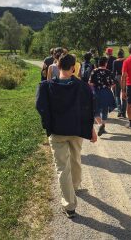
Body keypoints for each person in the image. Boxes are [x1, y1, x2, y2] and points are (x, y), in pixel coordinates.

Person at [36, 54, 97, 219]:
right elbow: (87, 110)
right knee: (76, 158)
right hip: (76, 130)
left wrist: (48, 126)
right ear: (73, 68)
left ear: (57, 65)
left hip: (57, 132)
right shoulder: (83, 87)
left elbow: (41, 108)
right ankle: (74, 187)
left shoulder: (46, 86)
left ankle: (69, 206)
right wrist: (90, 129)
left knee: (63, 168)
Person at [89, 56, 116, 136]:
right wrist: (108, 86)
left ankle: (100, 124)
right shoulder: (109, 71)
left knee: (95, 110)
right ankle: (103, 127)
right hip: (107, 93)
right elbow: (113, 84)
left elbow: (90, 83)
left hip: (97, 92)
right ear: (106, 63)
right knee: (105, 110)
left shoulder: (94, 71)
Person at [112, 49, 127, 118]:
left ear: (117, 55)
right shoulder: (125, 60)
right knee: (124, 95)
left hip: (117, 78)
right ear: (123, 54)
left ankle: (119, 111)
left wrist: (113, 81)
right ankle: (124, 113)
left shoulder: (115, 61)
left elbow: (113, 72)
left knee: (117, 95)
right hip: (125, 77)